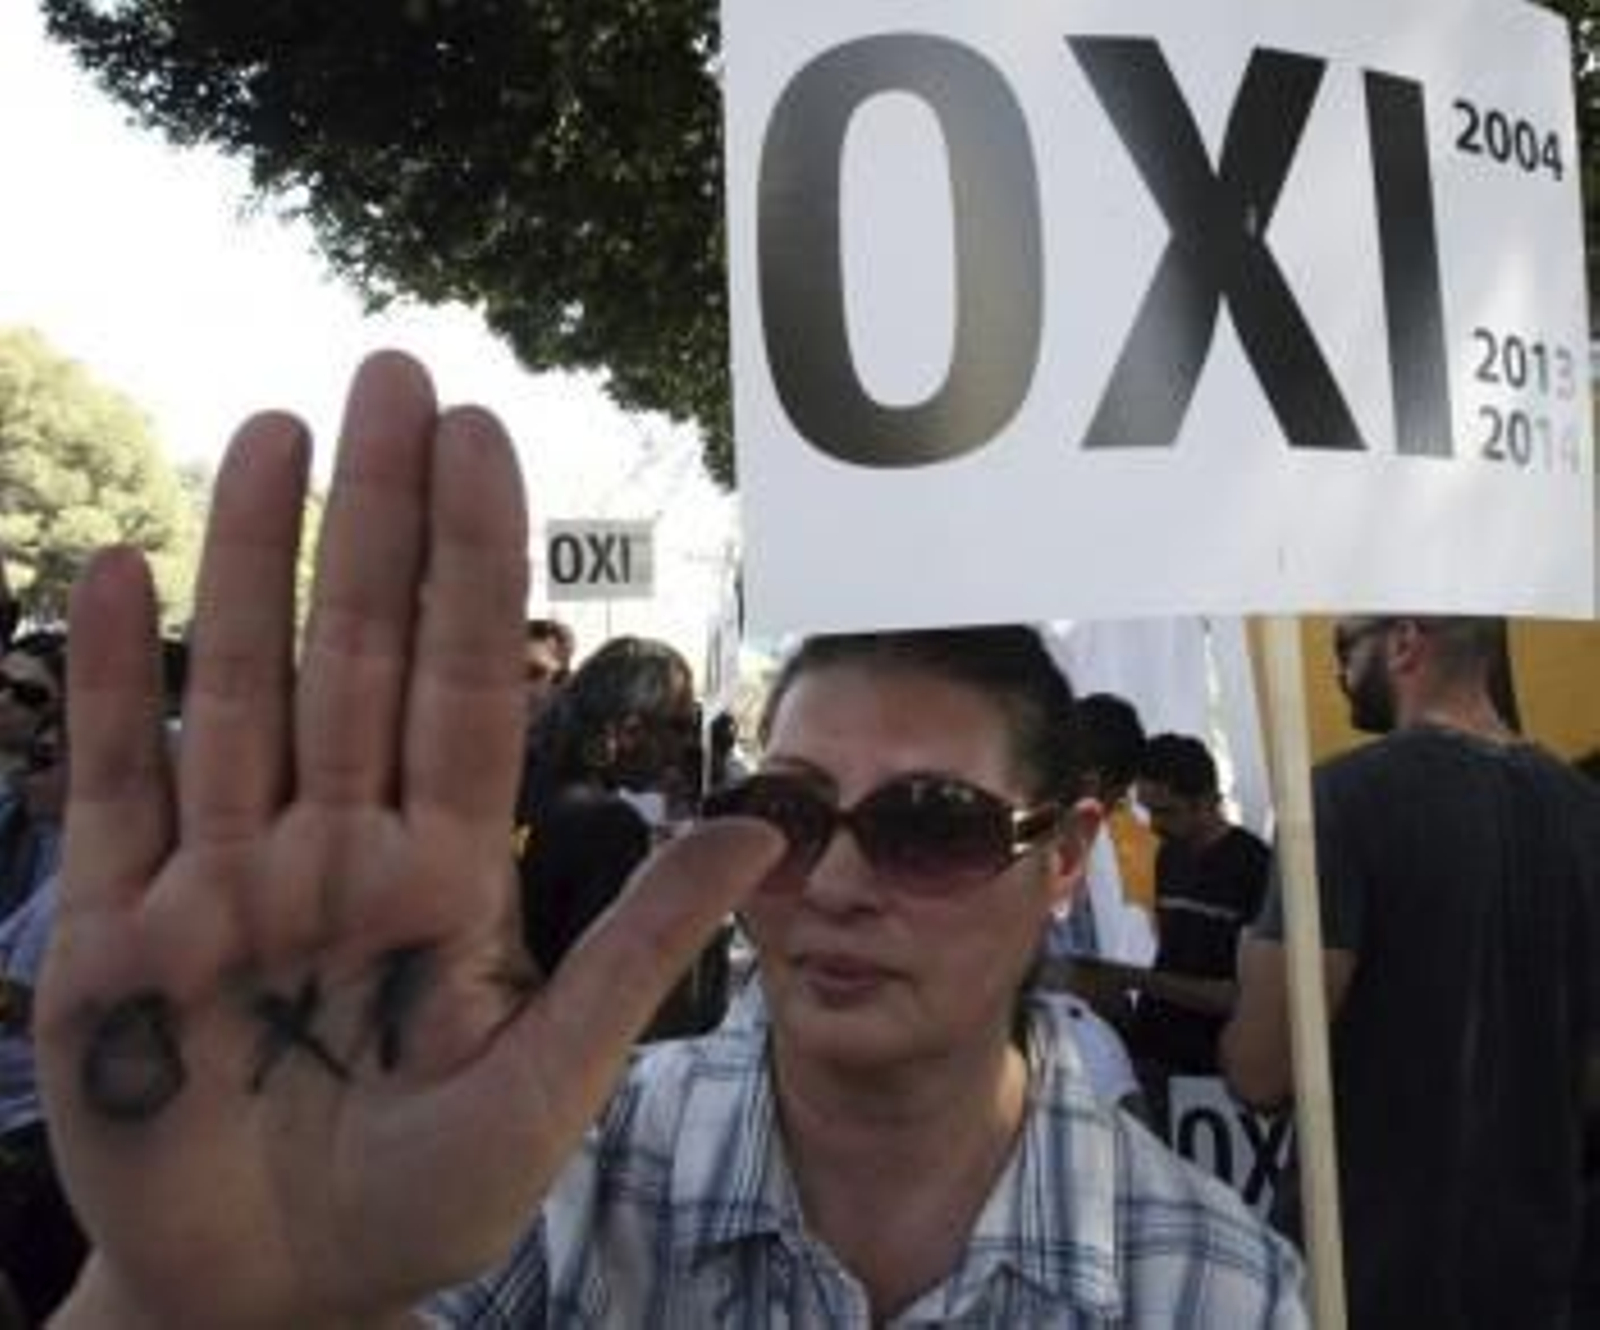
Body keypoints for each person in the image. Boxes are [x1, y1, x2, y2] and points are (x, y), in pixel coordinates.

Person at [36, 354, 1304, 1328]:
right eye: (794, 816)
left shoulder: (1211, 1284)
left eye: (933, 826)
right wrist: (194, 1299)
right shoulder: (536, 1179)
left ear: (1066, 854)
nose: (840, 884)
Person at [1223, 615, 1600, 1330]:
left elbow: (1261, 1070)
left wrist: (1252, 969)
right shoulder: (1586, 812)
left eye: (1343, 648)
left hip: (1366, 1271)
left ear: (1403, 642)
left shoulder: (1339, 801)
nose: (1337, 672)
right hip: (1538, 1272)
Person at [517, 633, 722, 1039]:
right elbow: (601, 1000)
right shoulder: (608, 823)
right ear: (629, 729)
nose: (684, 745)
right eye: (681, 724)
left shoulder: (514, 778)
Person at [0, 717, 84, 1325]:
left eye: (48, 757)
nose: (30, 769)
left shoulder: (76, 892)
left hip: (27, 1134)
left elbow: (24, 1006)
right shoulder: (60, 867)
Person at [1125, 733, 1270, 1080]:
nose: (1154, 825)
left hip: (1217, 1065)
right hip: (1156, 1052)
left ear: (1205, 800)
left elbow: (1246, 995)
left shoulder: (1255, 866)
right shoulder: (1169, 855)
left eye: (1165, 811)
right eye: (1147, 810)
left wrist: (1129, 978)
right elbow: (1173, 952)